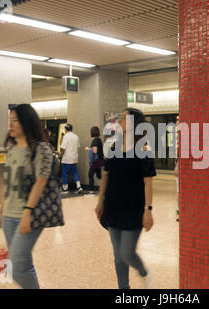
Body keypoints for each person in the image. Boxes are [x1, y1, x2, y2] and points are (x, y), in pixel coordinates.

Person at [95, 108, 156, 289]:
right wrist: (100, 202)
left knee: (127, 253)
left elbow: (148, 183)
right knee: (117, 255)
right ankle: (124, 289)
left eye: (123, 118)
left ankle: (144, 272)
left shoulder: (144, 149)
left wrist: (148, 210)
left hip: (133, 208)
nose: (119, 121)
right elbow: (105, 175)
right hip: (113, 206)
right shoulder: (113, 147)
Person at [0, 104, 53, 289]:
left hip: (29, 215)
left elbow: (41, 182)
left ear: (27, 122)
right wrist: (1, 210)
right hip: (9, 215)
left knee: (17, 263)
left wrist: (27, 212)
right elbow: (8, 184)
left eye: (15, 120)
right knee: (22, 264)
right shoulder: (12, 150)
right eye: (9, 120)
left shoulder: (41, 149)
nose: (10, 125)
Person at [60, 123, 83, 194]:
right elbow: (78, 146)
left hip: (66, 159)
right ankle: (79, 187)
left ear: (66, 129)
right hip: (74, 158)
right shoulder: (76, 136)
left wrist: (61, 155)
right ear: (72, 129)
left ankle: (65, 189)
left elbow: (63, 148)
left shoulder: (66, 136)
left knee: (65, 173)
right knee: (75, 173)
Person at [85, 126, 104, 195]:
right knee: (99, 175)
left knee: (90, 175)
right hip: (99, 160)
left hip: (96, 161)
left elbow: (95, 151)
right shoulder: (99, 140)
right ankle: (106, 187)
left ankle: (91, 191)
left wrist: (88, 149)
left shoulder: (95, 140)